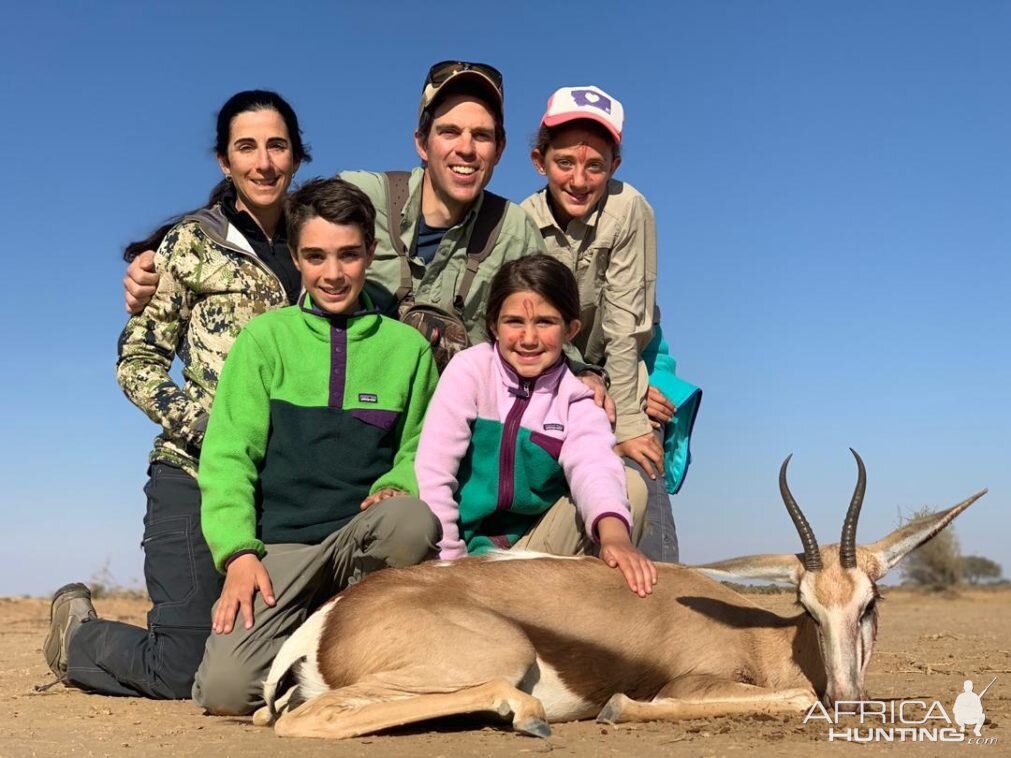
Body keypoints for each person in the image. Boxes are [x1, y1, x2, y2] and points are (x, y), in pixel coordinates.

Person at [42, 90, 310, 699]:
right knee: (182, 670)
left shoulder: (319, 244)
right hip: (193, 474)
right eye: (247, 147)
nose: (264, 162)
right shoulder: (189, 244)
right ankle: (76, 635)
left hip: (290, 488)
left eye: (277, 145)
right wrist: (217, 431)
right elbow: (137, 363)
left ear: (296, 156)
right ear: (224, 161)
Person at [192, 176, 441, 716]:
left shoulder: (409, 348)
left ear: (371, 252)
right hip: (281, 551)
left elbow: (422, 446)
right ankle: (313, 643)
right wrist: (237, 551)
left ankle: (364, 642)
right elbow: (229, 456)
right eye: (316, 256)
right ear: (297, 258)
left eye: (349, 255)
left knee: (411, 520)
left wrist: (398, 483)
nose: (333, 273)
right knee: (226, 692)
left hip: (361, 545)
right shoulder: (264, 340)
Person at [520, 85, 701, 563]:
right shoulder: (521, 222)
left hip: (628, 366)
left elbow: (626, 327)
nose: (579, 179)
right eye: (564, 163)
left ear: (614, 166)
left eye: (595, 165)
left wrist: (631, 420)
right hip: (557, 373)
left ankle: (660, 595)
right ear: (539, 161)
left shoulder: (628, 209)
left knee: (640, 466)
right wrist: (582, 378)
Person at [415, 254, 657, 597]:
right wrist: (452, 567)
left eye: (545, 322)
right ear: (494, 326)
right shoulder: (469, 371)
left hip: (531, 550)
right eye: (514, 322)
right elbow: (434, 474)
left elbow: (595, 465)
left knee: (630, 487)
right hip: (457, 553)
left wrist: (616, 537)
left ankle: (580, 614)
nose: (529, 338)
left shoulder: (576, 397)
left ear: (570, 330)